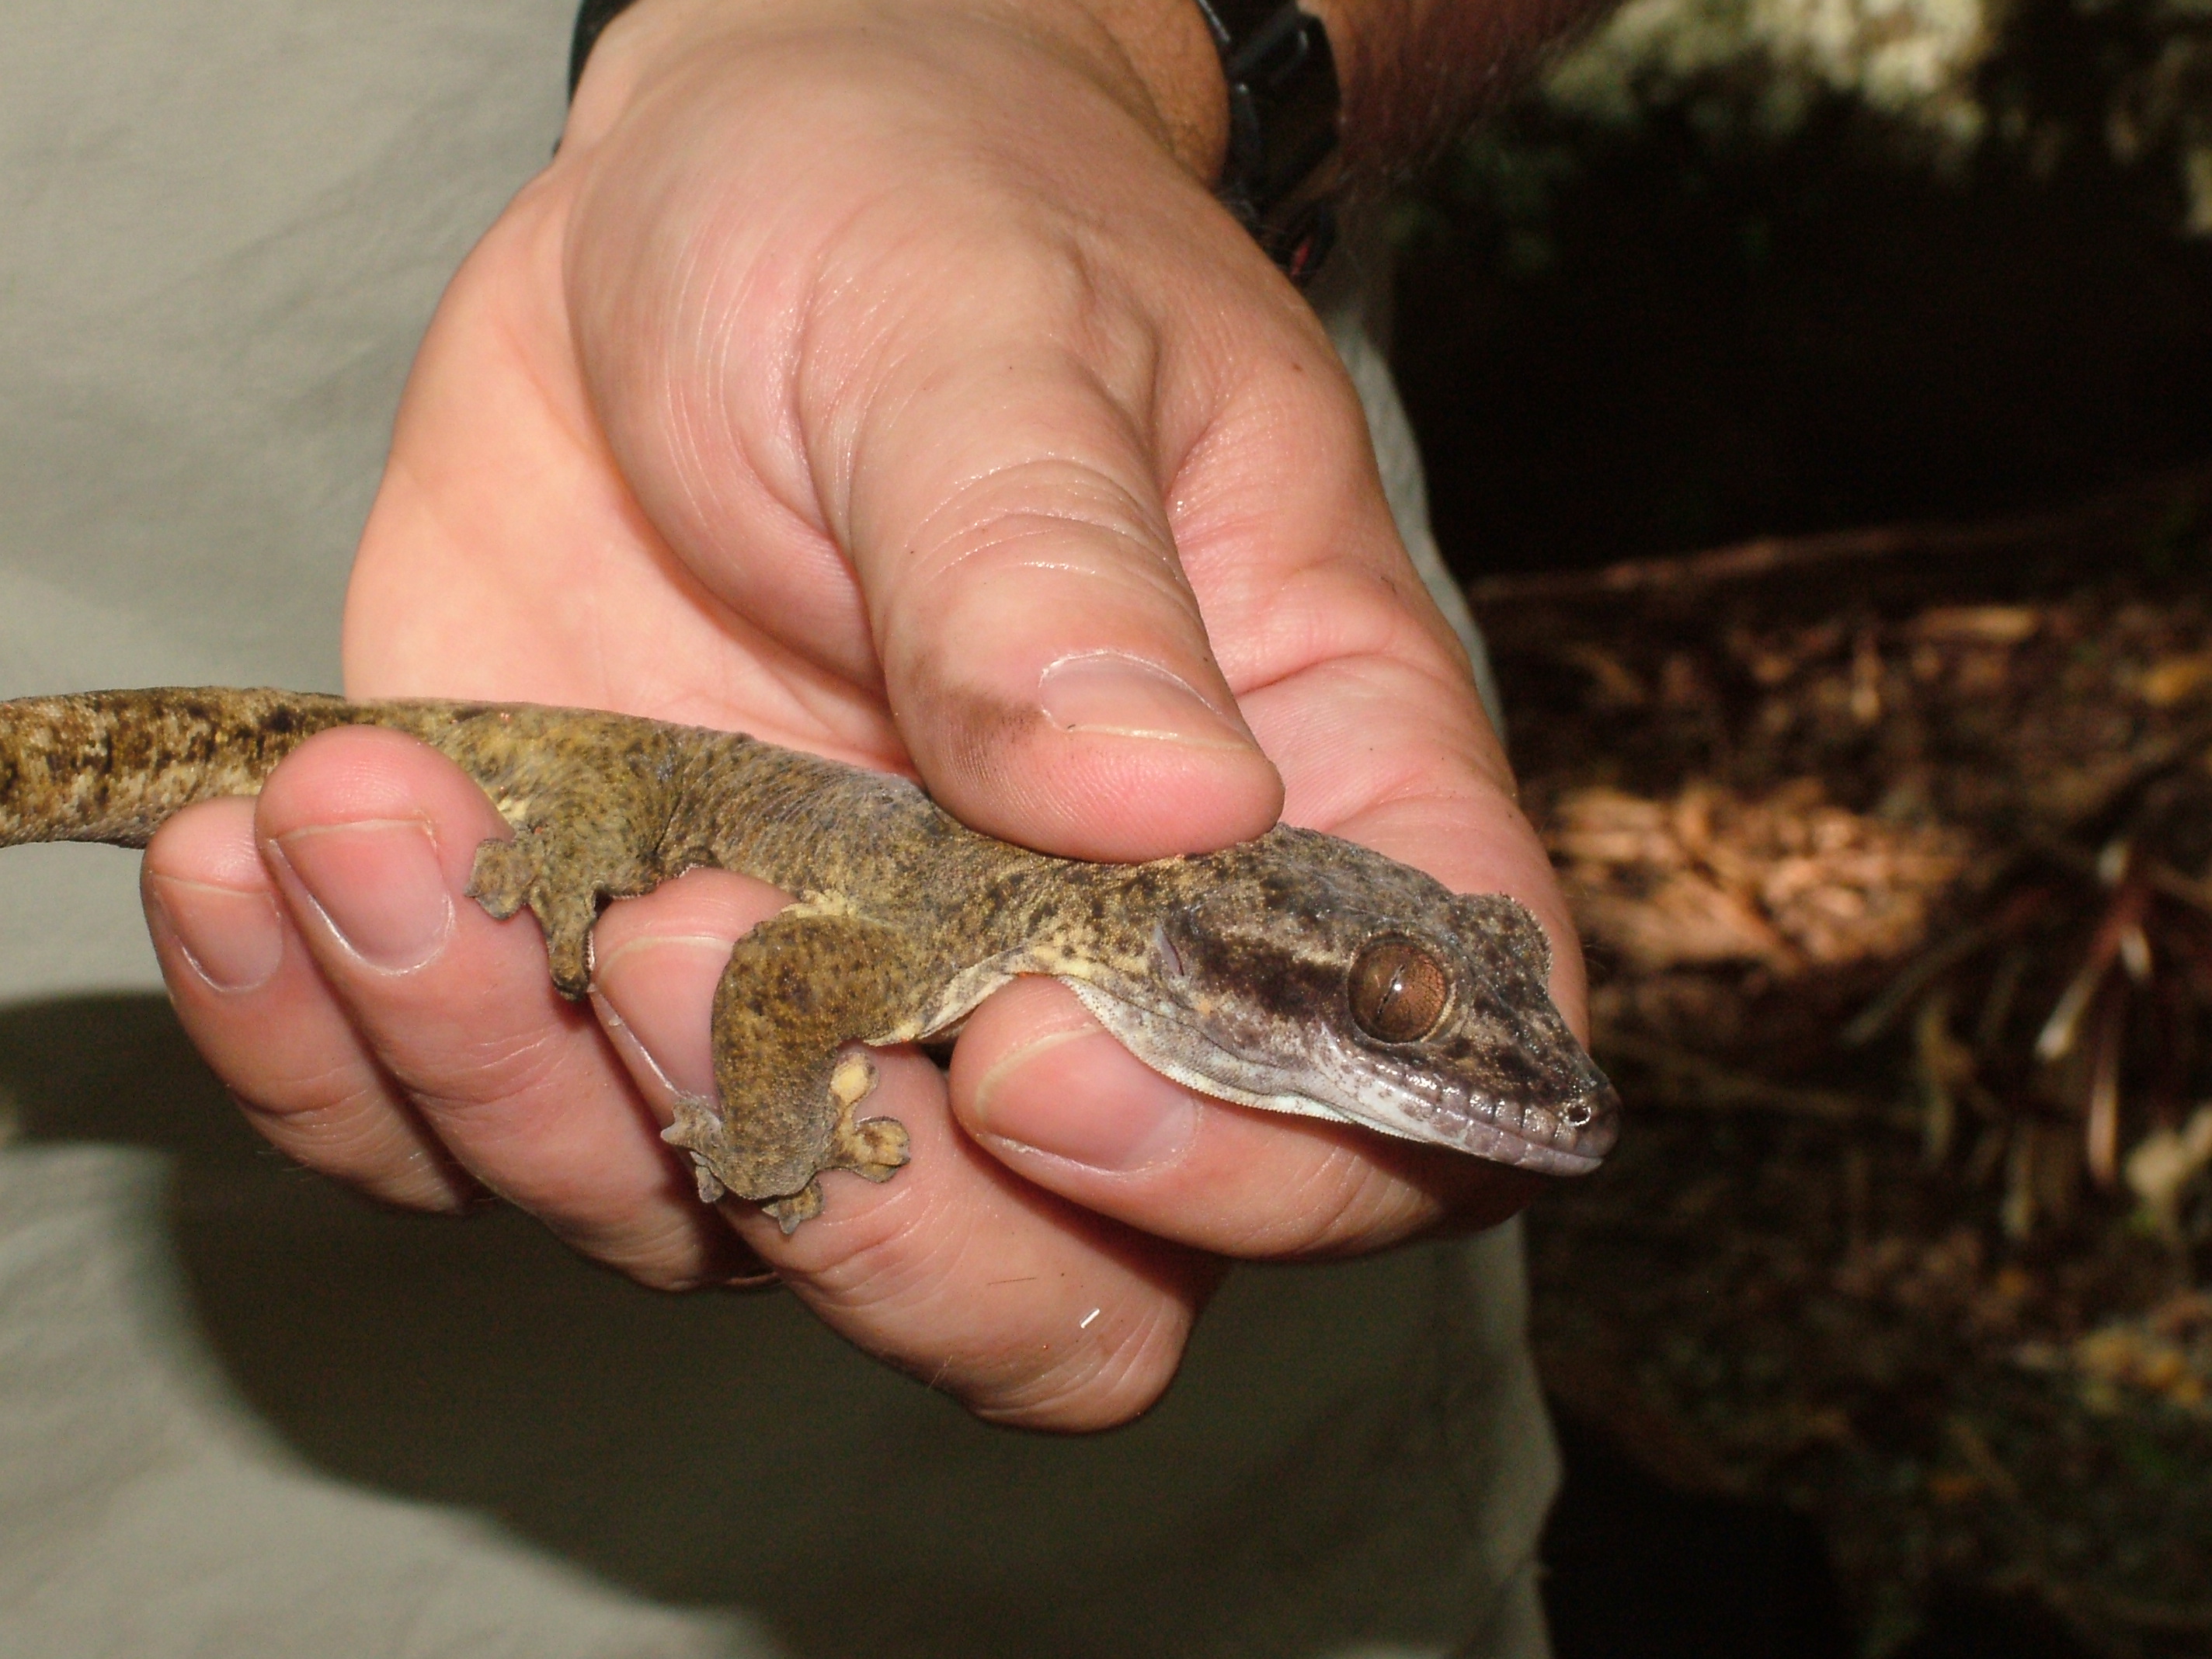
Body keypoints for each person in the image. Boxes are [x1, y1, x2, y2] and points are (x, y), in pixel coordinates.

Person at [0, 0, 1602, 1652]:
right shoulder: (965, 935)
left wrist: (1078, 47)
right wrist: (766, 1145)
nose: (1453, 1043)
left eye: (1432, 988)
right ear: (1236, 964)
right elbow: (766, 990)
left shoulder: (1042, 907)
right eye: (1401, 1004)